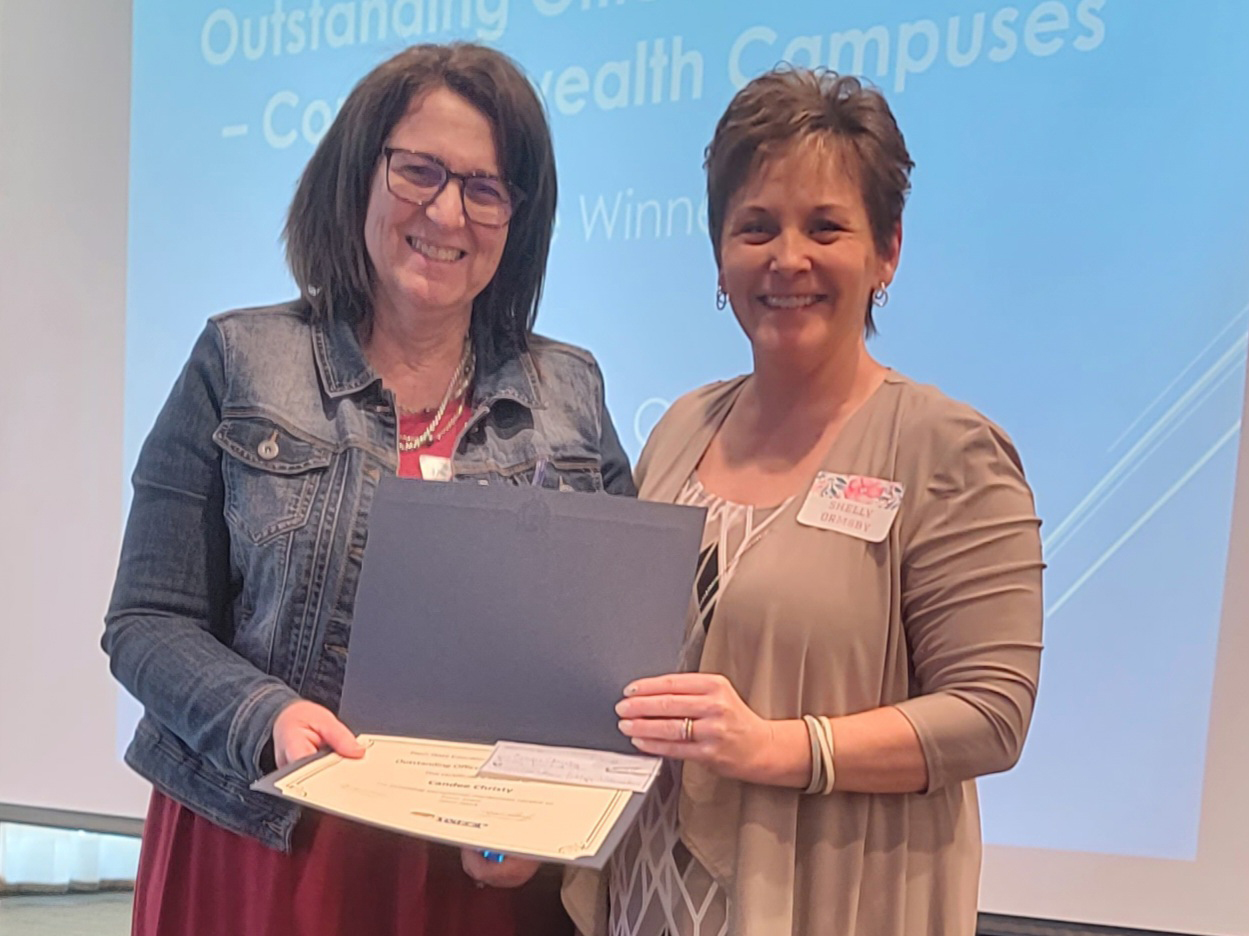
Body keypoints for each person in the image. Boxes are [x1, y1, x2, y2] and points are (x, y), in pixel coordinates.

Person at [103, 42, 635, 936]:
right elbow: (145, 623)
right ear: (359, 173)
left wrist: (540, 816)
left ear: (518, 217)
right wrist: (264, 715)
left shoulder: (569, 394)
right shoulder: (240, 360)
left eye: (485, 187)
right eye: (418, 171)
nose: (446, 210)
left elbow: (616, 654)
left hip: (479, 876)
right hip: (265, 848)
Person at [564, 67, 1044, 935]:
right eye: (755, 228)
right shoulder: (678, 428)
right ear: (719, 253)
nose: (787, 258)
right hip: (645, 901)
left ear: (886, 251)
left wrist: (783, 748)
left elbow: (990, 714)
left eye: (825, 227)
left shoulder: (946, 448)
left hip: (828, 903)